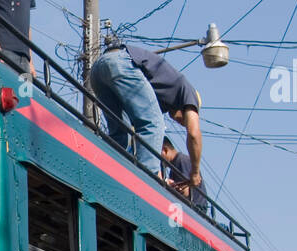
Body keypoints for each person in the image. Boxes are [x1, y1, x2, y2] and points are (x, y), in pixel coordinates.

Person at [89, 39, 203, 182]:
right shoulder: (188, 91)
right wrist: (195, 172)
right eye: (183, 119)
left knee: (120, 134)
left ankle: (107, 175)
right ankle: (146, 182)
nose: (182, 122)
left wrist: (162, 179)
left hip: (98, 70)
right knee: (154, 124)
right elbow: (193, 133)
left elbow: (143, 137)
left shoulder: (162, 97)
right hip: (121, 62)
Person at [162, 136, 208, 211]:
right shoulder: (175, 164)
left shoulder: (181, 161)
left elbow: (185, 192)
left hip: (196, 208)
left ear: (165, 150)